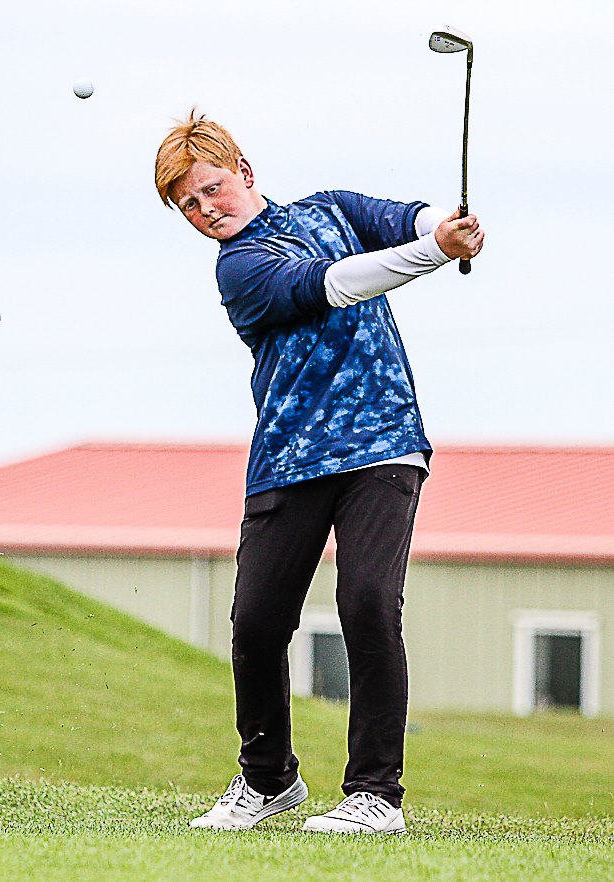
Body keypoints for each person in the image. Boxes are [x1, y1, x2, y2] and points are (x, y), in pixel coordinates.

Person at [154, 111, 484, 835]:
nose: (207, 209)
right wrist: (436, 250)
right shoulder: (240, 269)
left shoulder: (330, 209)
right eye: (189, 205)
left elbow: (399, 217)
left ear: (244, 171)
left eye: (212, 189)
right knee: (256, 624)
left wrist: (444, 223)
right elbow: (333, 284)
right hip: (290, 455)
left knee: (367, 603)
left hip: (382, 442)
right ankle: (268, 780)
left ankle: (375, 796)